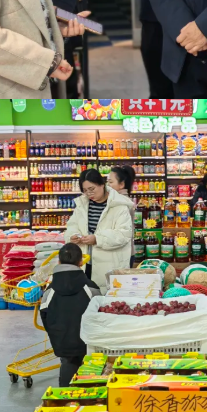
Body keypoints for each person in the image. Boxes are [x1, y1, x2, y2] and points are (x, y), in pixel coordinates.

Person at [40, 243, 102, 387]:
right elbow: (100, 314)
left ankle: (65, 394)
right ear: (81, 262)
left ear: (59, 262)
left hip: (62, 343)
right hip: (88, 343)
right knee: (92, 375)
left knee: (67, 367)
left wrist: (56, 335)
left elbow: (45, 316)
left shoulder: (49, 291)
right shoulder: (91, 287)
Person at [64, 169, 132, 292]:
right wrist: (72, 236)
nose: (89, 193)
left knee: (107, 298)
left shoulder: (119, 206)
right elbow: (72, 225)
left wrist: (97, 239)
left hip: (110, 264)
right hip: (85, 263)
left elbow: (123, 234)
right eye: (85, 190)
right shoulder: (82, 205)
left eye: (92, 189)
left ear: (102, 184)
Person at [106, 165, 137, 266]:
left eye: (110, 182)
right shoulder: (116, 200)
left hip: (121, 254)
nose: (107, 185)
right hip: (122, 252)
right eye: (107, 182)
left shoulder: (121, 202)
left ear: (121, 184)